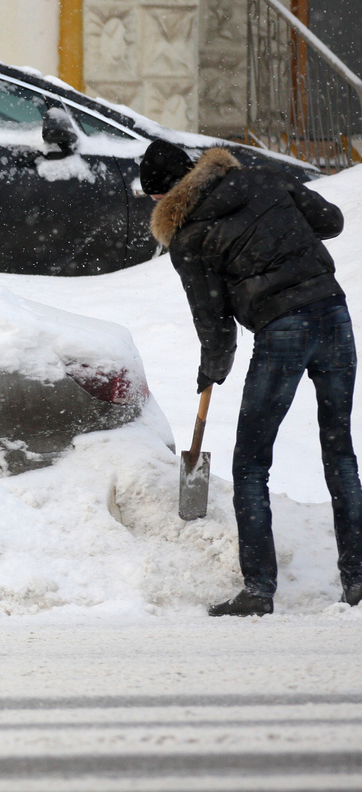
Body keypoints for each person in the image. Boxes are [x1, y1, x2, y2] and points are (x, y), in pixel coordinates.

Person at [141, 138, 362, 616]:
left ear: (164, 197)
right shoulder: (259, 178)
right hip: (334, 314)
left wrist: (211, 369)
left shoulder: (188, 237)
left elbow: (213, 321)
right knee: (339, 452)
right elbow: (331, 221)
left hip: (282, 329)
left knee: (251, 464)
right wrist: (277, 228)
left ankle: (259, 591)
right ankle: (358, 581)